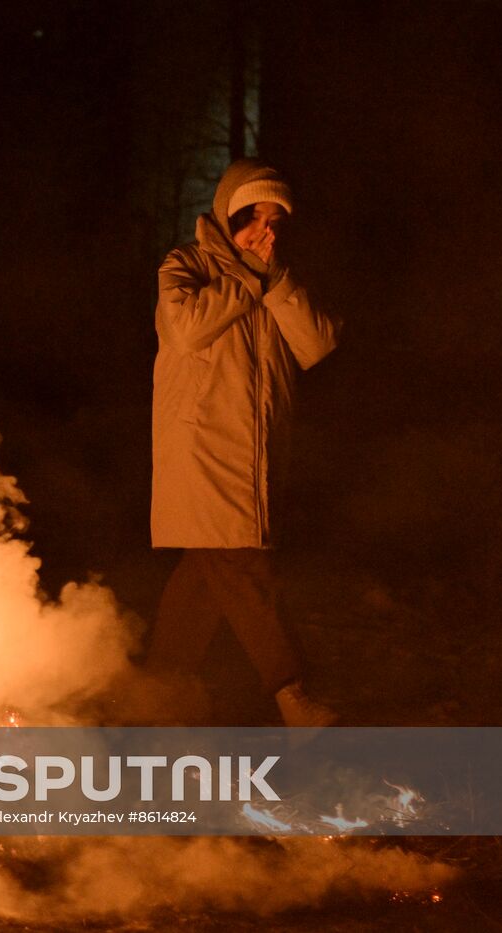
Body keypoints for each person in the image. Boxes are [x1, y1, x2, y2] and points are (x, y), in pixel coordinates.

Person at [147, 158, 341, 727]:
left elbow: (318, 343)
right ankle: (292, 693)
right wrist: (247, 277)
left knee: (204, 581)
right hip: (201, 449)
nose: (266, 232)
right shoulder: (185, 264)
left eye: (276, 220)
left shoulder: (276, 275)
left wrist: (275, 280)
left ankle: (149, 698)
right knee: (241, 564)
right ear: (228, 214)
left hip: (255, 454)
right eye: (254, 217)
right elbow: (187, 331)